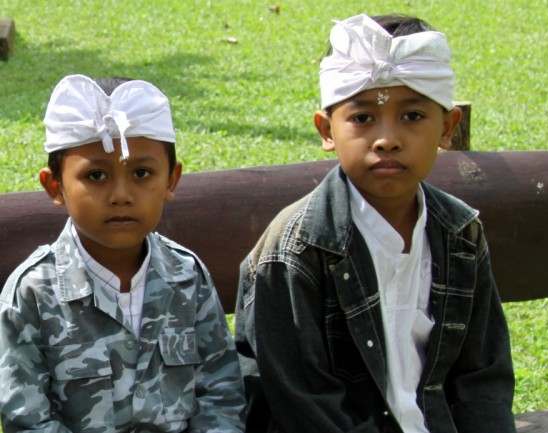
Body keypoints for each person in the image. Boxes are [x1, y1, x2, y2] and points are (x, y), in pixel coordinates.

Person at [234, 14, 516, 433]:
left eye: (413, 116)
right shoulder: (294, 252)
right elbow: (304, 402)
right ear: (327, 130)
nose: (387, 139)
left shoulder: (461, 234)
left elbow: (482, 378)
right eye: (363, 118)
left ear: (448, 128)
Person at [0, 74, 246, 433]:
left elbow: (221, 395)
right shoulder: (32, 294)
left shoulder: (187, 277)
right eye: (96, 176)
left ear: (171, 180)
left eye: (142, 173)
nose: (121, 195)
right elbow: (28, 421)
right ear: (55, 186)